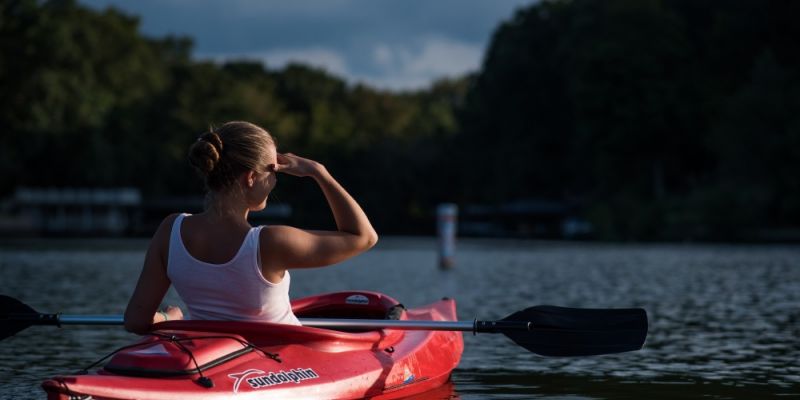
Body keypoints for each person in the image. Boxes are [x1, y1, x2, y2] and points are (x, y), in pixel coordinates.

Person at [124, 121, 378, 334]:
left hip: (215, 362)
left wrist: (171, 320)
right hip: (281, 367)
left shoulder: (170, 230)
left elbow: (136, 321)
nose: (276, 179)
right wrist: (319, 173)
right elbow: (364, 236)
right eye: (273, 170)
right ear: (251, 178)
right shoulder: (271, 242)